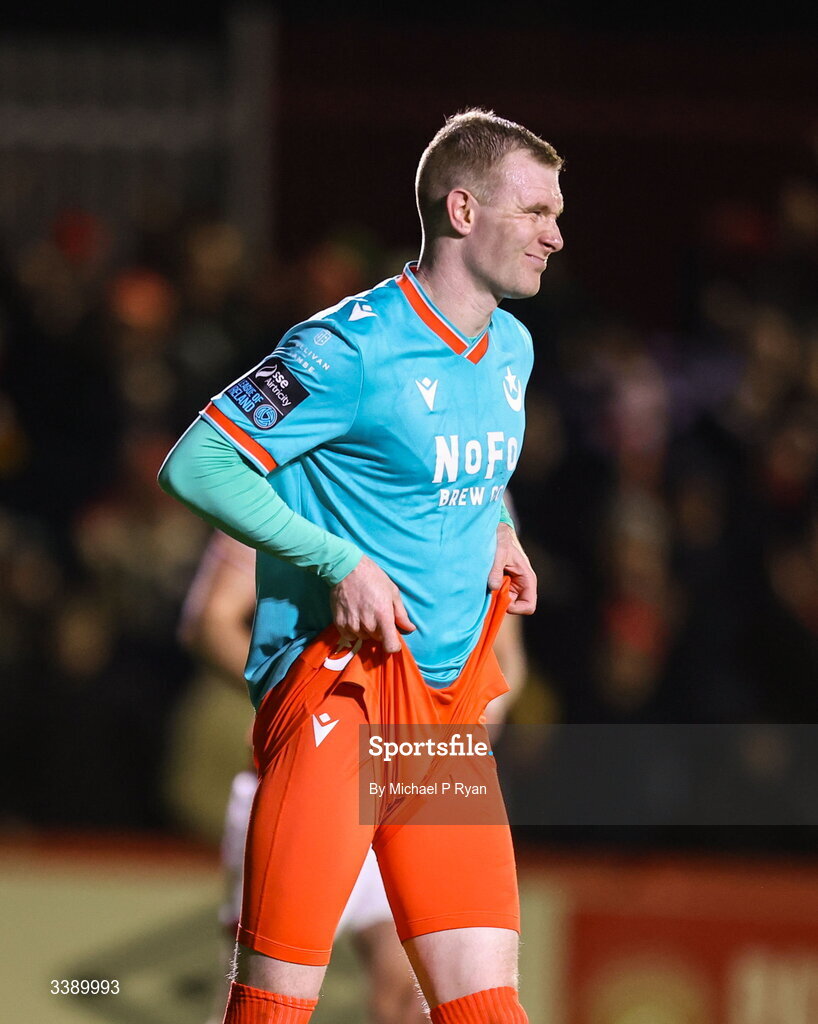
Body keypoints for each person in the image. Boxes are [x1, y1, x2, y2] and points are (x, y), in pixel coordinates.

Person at [159, 107, 563, 1024]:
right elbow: (197, 463)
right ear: (463, 210)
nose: (556, 233)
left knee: (485, 1008)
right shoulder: (346, 347)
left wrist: (494, 533)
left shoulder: (512, 347)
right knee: (274, 1008)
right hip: (339, 698)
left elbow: (466, 471)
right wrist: (334, 557)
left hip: (445, 719)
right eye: (536, 210)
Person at [181, 529, 527, 1024]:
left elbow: (504, 648)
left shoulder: (487, 484)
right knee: (263, 1000)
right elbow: (212, 616)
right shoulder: (310, 466)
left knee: (415, 1000)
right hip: (322, 758)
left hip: (424, 765)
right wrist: (297, 707)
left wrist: (461, 731)